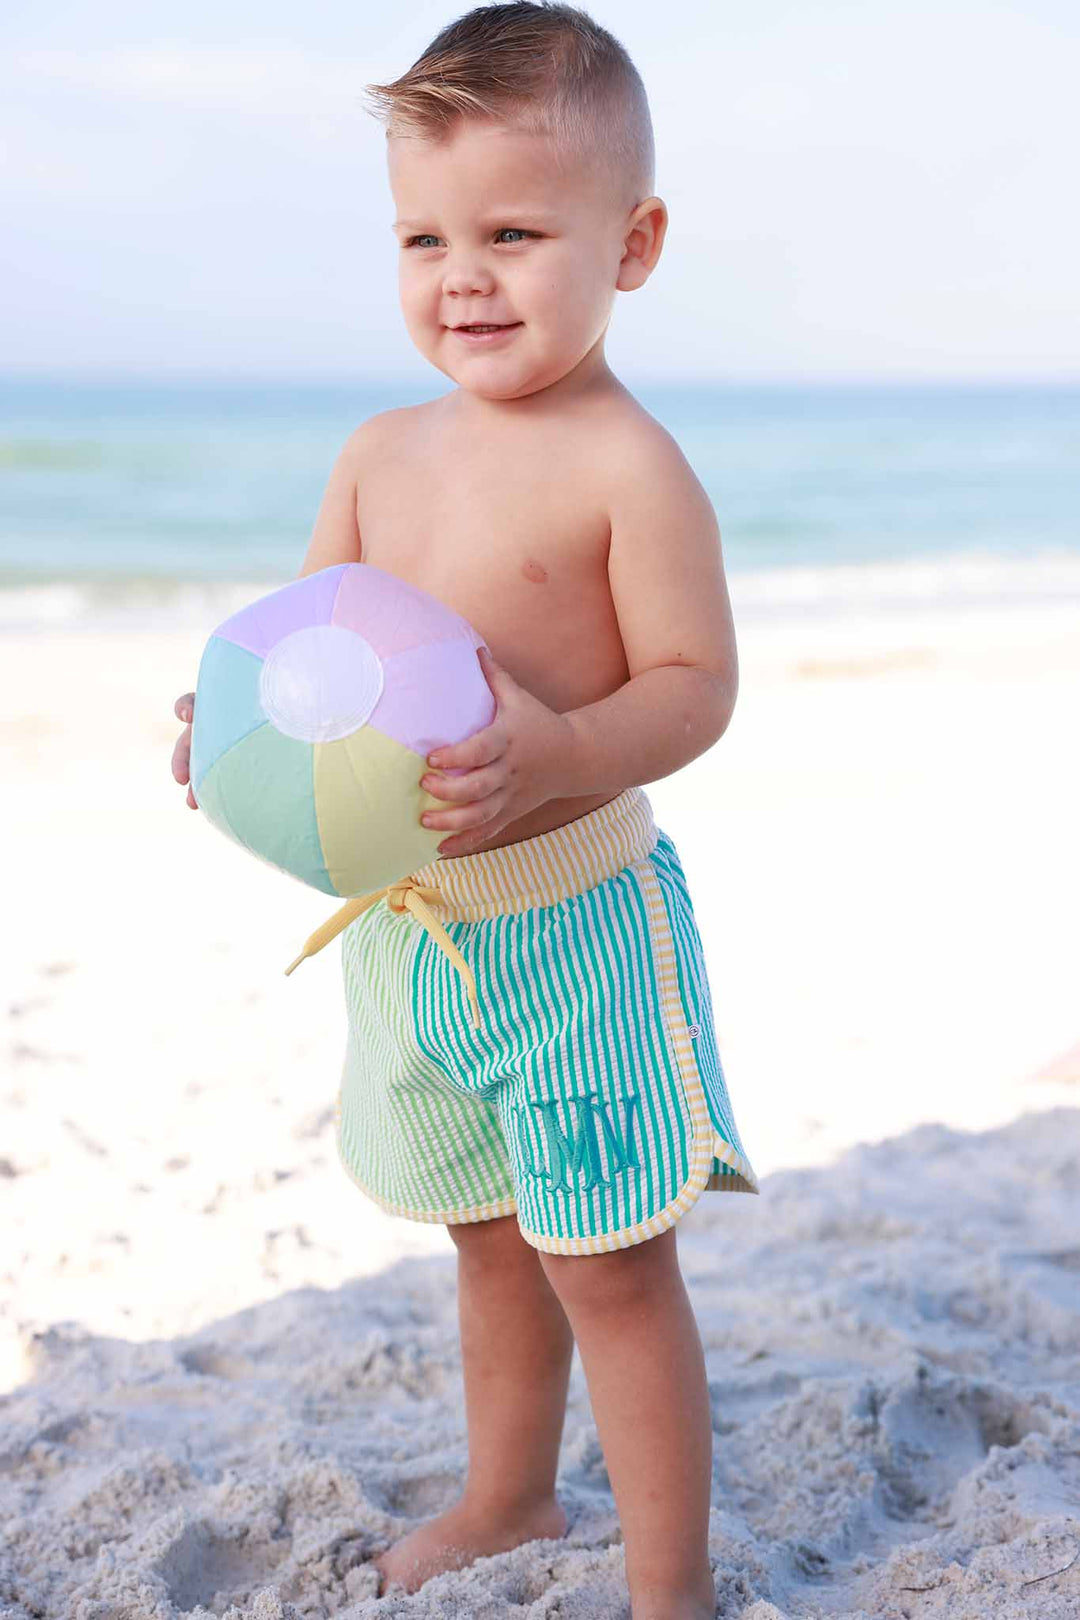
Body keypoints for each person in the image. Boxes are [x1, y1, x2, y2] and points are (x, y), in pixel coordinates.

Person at [171, 5, 759, 1615]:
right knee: (486, 1237)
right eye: (424, 236)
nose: (463, 277)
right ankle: (509, 1499)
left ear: (630, 245)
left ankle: (672, 1587)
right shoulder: (378, 455)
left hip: (577, 924)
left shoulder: (630, 470)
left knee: (612, 1263)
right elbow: (300, 662)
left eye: (513, 231)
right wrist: (217, 733)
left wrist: (564, 744)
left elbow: (697, 685)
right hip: (415, 938)